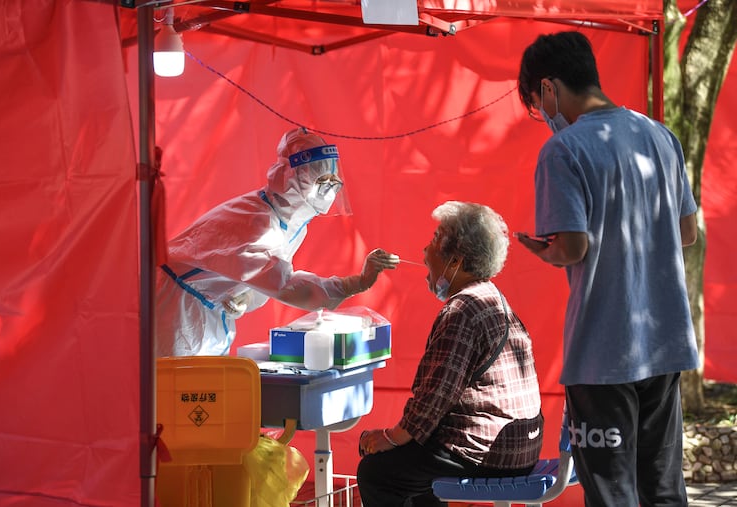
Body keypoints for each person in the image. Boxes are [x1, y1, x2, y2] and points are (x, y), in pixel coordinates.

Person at [515, 31, 699, 506]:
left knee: (613, 495)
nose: (543, 115)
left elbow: (572, 247)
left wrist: (542, 249)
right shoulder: (661, 136)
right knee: (663, 489)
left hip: (602, 352)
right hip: (666, 343)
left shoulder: (564, 150)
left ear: (549, 88)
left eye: (537, 102)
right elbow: (687, 234)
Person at [356, 201, 543, 507]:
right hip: (519, 448)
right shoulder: (492, 297)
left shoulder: (463, 309)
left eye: (434, 239)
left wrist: (390, 437)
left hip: (488, 452)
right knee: (418, 467)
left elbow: (436, 395)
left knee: (378, 473)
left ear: (455, 260)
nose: (424, 251)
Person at [156, 127, 399, 357]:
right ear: (290, 177)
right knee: (172, 391)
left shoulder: (287, 222)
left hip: (203, 312)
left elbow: (265, 275)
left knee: (198, 392)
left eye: (333, 181)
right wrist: (354, 283)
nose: (329, 191)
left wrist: (245, 296)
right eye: (322, 181)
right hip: (176, 310)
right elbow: (285, 284)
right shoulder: (257, 222)